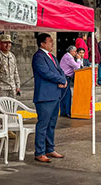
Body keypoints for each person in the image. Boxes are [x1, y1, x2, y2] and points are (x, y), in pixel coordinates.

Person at [32, 33, 67, 163]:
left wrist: (63, 78)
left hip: (55, 94)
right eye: (50, 41)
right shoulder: (38, 57)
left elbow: (59, 70)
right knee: (43, 124)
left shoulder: (52, 56)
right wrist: (60, 79)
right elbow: (45, 72)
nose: (52, 43)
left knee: (51, 124)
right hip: (44, 96)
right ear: (42, 43)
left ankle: (50, 148)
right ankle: (39, 152)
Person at [0, 34, 21, 128]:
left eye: (9, 43)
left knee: (11, 108)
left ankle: (9, 128)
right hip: (1, 87)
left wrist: (18, 85)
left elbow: (16, 72)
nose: (8, 45)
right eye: (5, 43)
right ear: (0, 43)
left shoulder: (12, 56)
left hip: (12, 87)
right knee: (0, 109)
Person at [59, 45, 82, 117]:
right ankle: (67, 112)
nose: (76, 53)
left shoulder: (68, 56)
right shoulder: (68, 57)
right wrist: (78, 59)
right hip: (65, 77)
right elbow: (77, 66)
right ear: (71, 51)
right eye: (75, 52)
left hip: (65, 77)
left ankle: (64, 112)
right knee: (67, 95)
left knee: (64, 95)